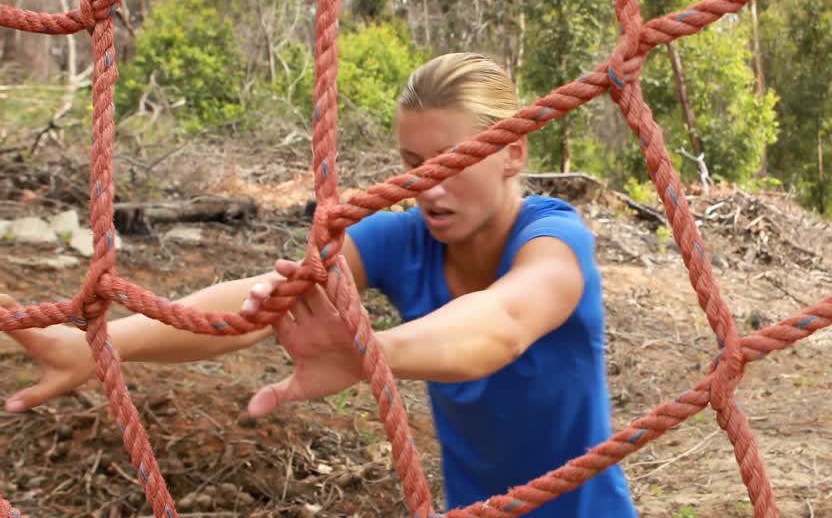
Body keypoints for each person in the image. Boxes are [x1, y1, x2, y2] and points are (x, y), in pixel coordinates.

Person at [0, 52, 638, 517]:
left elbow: (501, 325)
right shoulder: (402, 237)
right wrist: (102, 343)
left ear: (514, 152)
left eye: (455, 161)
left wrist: (366, 352)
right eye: (413, 166)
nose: (430, 188)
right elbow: (260, 300)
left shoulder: (556, 238)